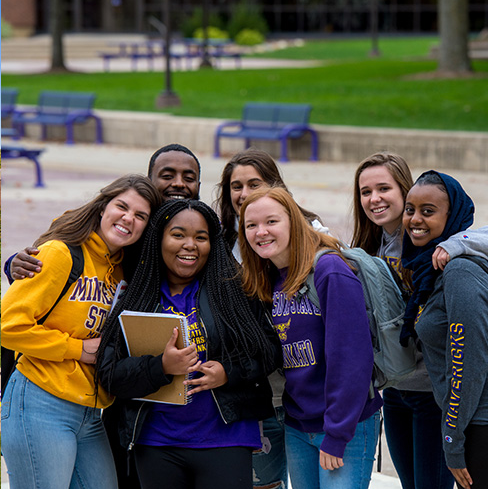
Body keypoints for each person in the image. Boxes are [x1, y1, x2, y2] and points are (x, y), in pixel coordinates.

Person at [95, 199, 282, 489]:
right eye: (178, 235)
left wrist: (227, 373)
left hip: (227, 438)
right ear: (159, 240)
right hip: (156, 442)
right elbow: (110, 374)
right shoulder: (139, 297)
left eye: (201, 237)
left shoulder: (234, 290)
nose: (190, 245)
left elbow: (269, 352)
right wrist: (160, 367)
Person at [1, 174, 162, 489]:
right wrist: (79, 349)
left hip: (90, 411)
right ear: (103, 207)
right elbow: (7, 327)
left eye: (140, 215)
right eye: (122, 206)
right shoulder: (61, 252)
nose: (129, 218)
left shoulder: (120, 271)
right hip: (40, 400)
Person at [239, 186, 383, 489]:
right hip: (297, 424)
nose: (260, 232)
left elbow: (352, 358)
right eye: (251, 225)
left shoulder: (329, 270)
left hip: (345, 426)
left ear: (293, 221)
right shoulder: (270, 278)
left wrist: (337, 433)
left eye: (271, 222)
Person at [214, 147, 327, 489]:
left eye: (254, 183)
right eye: (236, 186)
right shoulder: (219, 242)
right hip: (252, 391)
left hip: (300, 393)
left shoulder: (310, 236)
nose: (245, 193)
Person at [352, 152, 455, 489]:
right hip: (394, 390)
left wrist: (462, 244)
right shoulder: (369, 248)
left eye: (384, 188)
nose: (374, 198)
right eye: (365, 192)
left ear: (405, 190)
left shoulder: (435, 241)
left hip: (433, 395)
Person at [401, 170, 488, 489]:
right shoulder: (435, 269)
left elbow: (468, 365)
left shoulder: (460, 273)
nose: (415, 219)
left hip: (486, 425)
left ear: (452, 215)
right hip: (479, 422)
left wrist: (453, 441)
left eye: (428, 211)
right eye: (410, 209)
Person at [4, 143, 201, 282]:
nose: (178, 183)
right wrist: (15, 264)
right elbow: (52, 255)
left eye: (189, 178)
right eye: (167, 176)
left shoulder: (207, 232)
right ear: (150, 182)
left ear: (198, 186)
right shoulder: (126, 228)